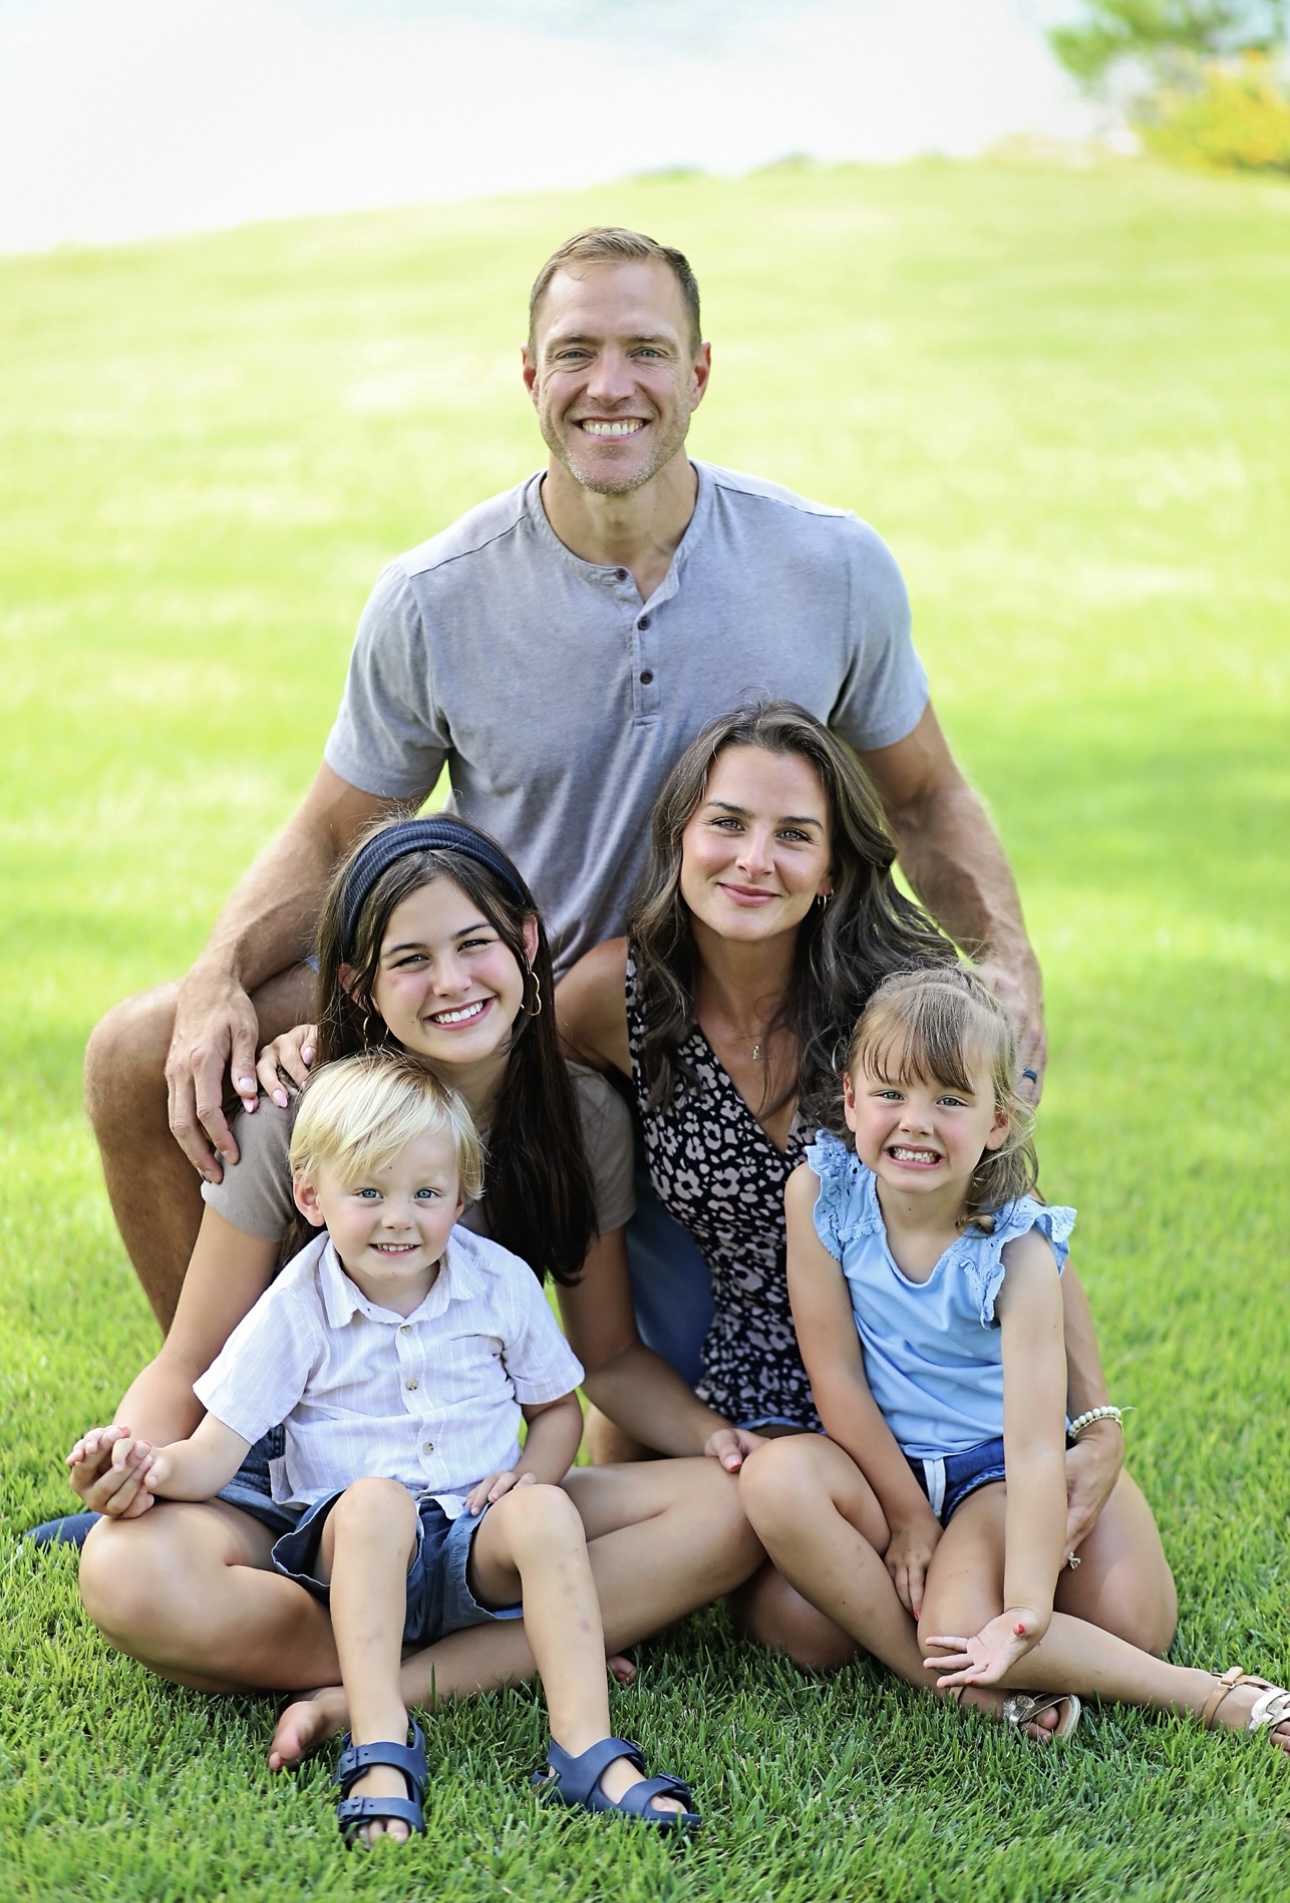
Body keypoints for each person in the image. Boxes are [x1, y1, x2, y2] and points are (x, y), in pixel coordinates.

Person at [84, 223, 1047, 1338]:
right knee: (138, 1051)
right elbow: (332, 834)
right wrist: (215, 977)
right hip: (496, 1006)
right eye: (577, 352)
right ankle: (224, 1448)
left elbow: (925, 797)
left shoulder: (829, 567)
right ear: (532, 374)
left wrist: (1006, 962)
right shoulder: (434, 595)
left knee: (732, 1407)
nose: (611, 385)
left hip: (731, 1022)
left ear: (698, 372)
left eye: (645, 350)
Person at [67, 817, 762, 1771]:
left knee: (736, 1509)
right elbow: (192, 1357)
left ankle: (364, 1688)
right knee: (126, 1571)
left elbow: (602, 1361)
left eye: (477, 944)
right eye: (411, 959)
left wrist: (720, 1441)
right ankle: (512, 1648)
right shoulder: (299, 1118)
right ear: (359, 985)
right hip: (304, 1498)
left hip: (476, 1505)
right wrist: (133, 1463)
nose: (452, 981)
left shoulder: (577, 1116)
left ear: (525, 943)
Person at [556, 703, 1177, 1671]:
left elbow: (1012, 1210)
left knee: (1134, 1616)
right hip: (768, 1381)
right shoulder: (614, 998)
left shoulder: (899, 991)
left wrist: (1092, 1421)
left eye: (794, 835)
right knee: (805, 1632)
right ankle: (948, 1665)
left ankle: (1005, 1585)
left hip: (931, 1370)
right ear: (678, 836)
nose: (755, 859)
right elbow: (499, 1060)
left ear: (833, 868)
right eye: (726, 823)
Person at [97, 1051, 699, 1843]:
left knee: (549, 1510)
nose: (398, 1218)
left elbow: (558, 1410)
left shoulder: (499, 1281)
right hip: (349, 1543)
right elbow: (214, 1449)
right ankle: (379, 1742)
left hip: (469, 1535)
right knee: (377, 1500)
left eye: (425, 1193)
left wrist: (527, 1476)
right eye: (370, 1192)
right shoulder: (298, 1303)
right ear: (311, 1195)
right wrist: (149, 1466)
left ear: (462, 1193)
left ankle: (582, 1748)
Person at [739, 967, 1290, 1751]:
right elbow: (837, 1378)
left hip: (992, 1473)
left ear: (998, 1121)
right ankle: (969, 1682)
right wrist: (903, 1518)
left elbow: (1034, 1446)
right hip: (882, 1466)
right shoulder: (821, 1193)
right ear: (851, 1098)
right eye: (891, 1093)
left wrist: (1028, 1608)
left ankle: (1210, 1696)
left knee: (1133, 1623)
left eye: (951, 1101)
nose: (916, 1123)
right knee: (774, 1477)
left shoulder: (1015, 1251)